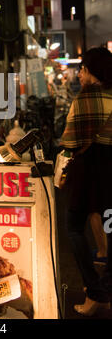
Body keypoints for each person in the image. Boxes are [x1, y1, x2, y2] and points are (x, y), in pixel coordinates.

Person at [60, 47, 112, 316]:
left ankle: (96, 291)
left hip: (88, 171)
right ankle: (105, 288)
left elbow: (69, 141)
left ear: (92, 72)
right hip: (109, 170)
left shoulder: (86, 98)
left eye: (83, 69)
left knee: (73, 228)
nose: (79, 74)